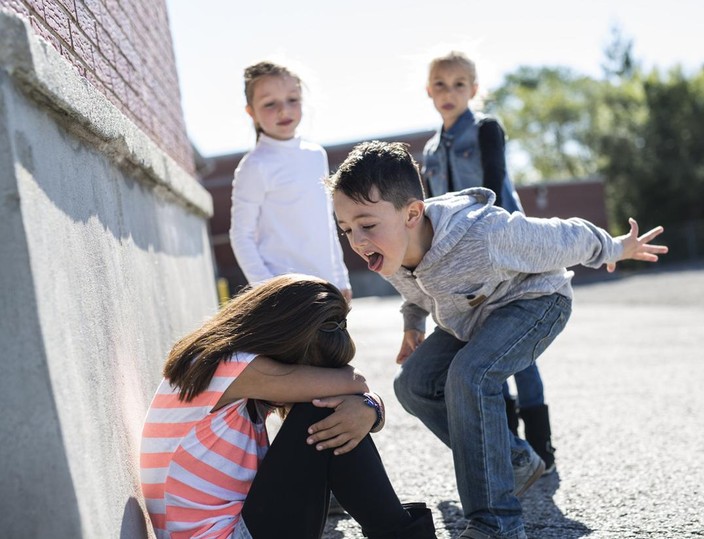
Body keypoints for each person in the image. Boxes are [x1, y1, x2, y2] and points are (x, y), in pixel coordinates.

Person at [326, 141, 667, 539]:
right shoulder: (388, 249)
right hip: (472, 318)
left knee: (470, 375)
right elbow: (415, 292)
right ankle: (514, 460)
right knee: (412, 386)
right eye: (346, 229)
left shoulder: (485, 233)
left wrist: (614, 247)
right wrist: (413, 325)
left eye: (366, 225)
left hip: (536, 302)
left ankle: (498, 523)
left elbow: (563, 236)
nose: (357, 240)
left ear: (412, 214)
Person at [140, 274, 437, 539]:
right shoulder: (231, 367)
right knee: (322, 410)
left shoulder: (221, 366)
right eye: (309, 371)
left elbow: (356, 390)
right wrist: (367, 404)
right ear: (284, 342)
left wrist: (370, 408)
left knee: (331, 411)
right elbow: (354, 382)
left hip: (236, 527)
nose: (310, 383)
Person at [421, 50, 554, 473]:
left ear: (474, 90)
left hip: (505, 253)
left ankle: (541, 446)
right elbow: (430, 210)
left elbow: (494, 187)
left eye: (460, 84)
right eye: (440, 84)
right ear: (429, 90)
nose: (449, 92)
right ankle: (512, 449)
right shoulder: (428, 149)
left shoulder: (485, 130)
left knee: (519, 352)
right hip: (460, 264)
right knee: (483, 348)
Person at [230, 61, 351, 302]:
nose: (283, 110)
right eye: (269, 104)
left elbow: (326, 223)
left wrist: (341, 278)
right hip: (286, 294)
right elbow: (240, 235)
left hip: (327, 287)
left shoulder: (316, 155)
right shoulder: (255, 166)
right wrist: (268, 289)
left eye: (292, 100)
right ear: (251, 112)